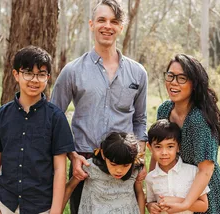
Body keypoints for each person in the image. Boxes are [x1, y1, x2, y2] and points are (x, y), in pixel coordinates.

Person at [50, 0, 148, 213]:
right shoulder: (72, 71)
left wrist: (139, 158)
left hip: (124, 164)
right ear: (91, 24)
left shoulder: (138, 73)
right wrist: (72, 156)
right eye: (102, 20)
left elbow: (140, 120)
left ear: (121, 27)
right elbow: (54, 118)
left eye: (114, 21)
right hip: (84, 165)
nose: (107, 26)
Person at [0, 46, 75, 214]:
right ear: (16, 75)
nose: (34, 80)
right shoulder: (1, 115)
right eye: (28, 73)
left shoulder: (56, 118)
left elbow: (60, 168)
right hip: (6, 204)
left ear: (48, 78)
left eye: (41, 74)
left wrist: (55, 211)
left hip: (42, 206)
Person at [152, 54, 220, 213]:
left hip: (203, 192)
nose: (173, 82)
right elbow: (157, 151)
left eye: (182, 78)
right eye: (170, 76)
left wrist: (185, 203)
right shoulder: (164, 110)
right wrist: (152, 195)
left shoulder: (198, 119)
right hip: (175, 186)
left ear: (194, 84)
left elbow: (206, 169)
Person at [62, 132, 145, 214]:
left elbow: (140, 193)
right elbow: (69, 188)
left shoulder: (135, 170)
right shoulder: (90, 167)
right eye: (113, 164)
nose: (119, 170)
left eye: (126, 165)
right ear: (103, 154)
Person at [146, 119, 209, 214]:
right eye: (158, 147)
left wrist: (177, 201)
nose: (164, 153)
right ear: (150, 147)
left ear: (178, 147)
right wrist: (150, 206)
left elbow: (203, 206)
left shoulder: (192, 171)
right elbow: (150, 202)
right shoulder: (150, 178)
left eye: (170, 146)